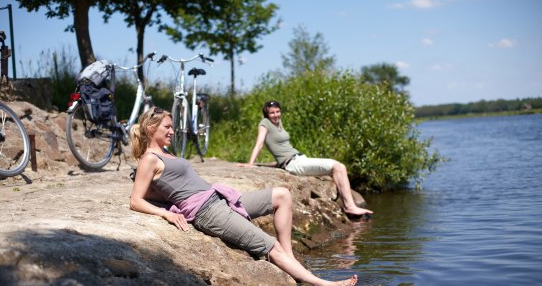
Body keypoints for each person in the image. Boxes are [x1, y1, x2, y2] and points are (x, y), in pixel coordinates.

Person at [129, 107, 358, 286]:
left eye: (172, 127)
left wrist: (166, 197)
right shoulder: (149, 159)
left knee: (282, 195)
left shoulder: (166, 152)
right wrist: (166, 214)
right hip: (208, 212)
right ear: (150, 128)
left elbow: (160, 188)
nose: (172, 131)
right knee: (271, 246)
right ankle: (322, 282)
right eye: (167, 127)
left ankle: (289, 260)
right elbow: (136, 200)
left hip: (218, 198)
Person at [238, 100, 373, 218]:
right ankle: (349, 206)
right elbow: (259, 144)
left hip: (299, 158)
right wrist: (250, 164)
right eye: (272, 113)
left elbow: (280, 147)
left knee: (339, 166)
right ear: (267, 114)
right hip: (293, 163)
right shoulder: (264, 123)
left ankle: (350, 205)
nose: (275, 115)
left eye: (278, 111)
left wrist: (275, 163)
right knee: (338, 166)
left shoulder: (278, 122)